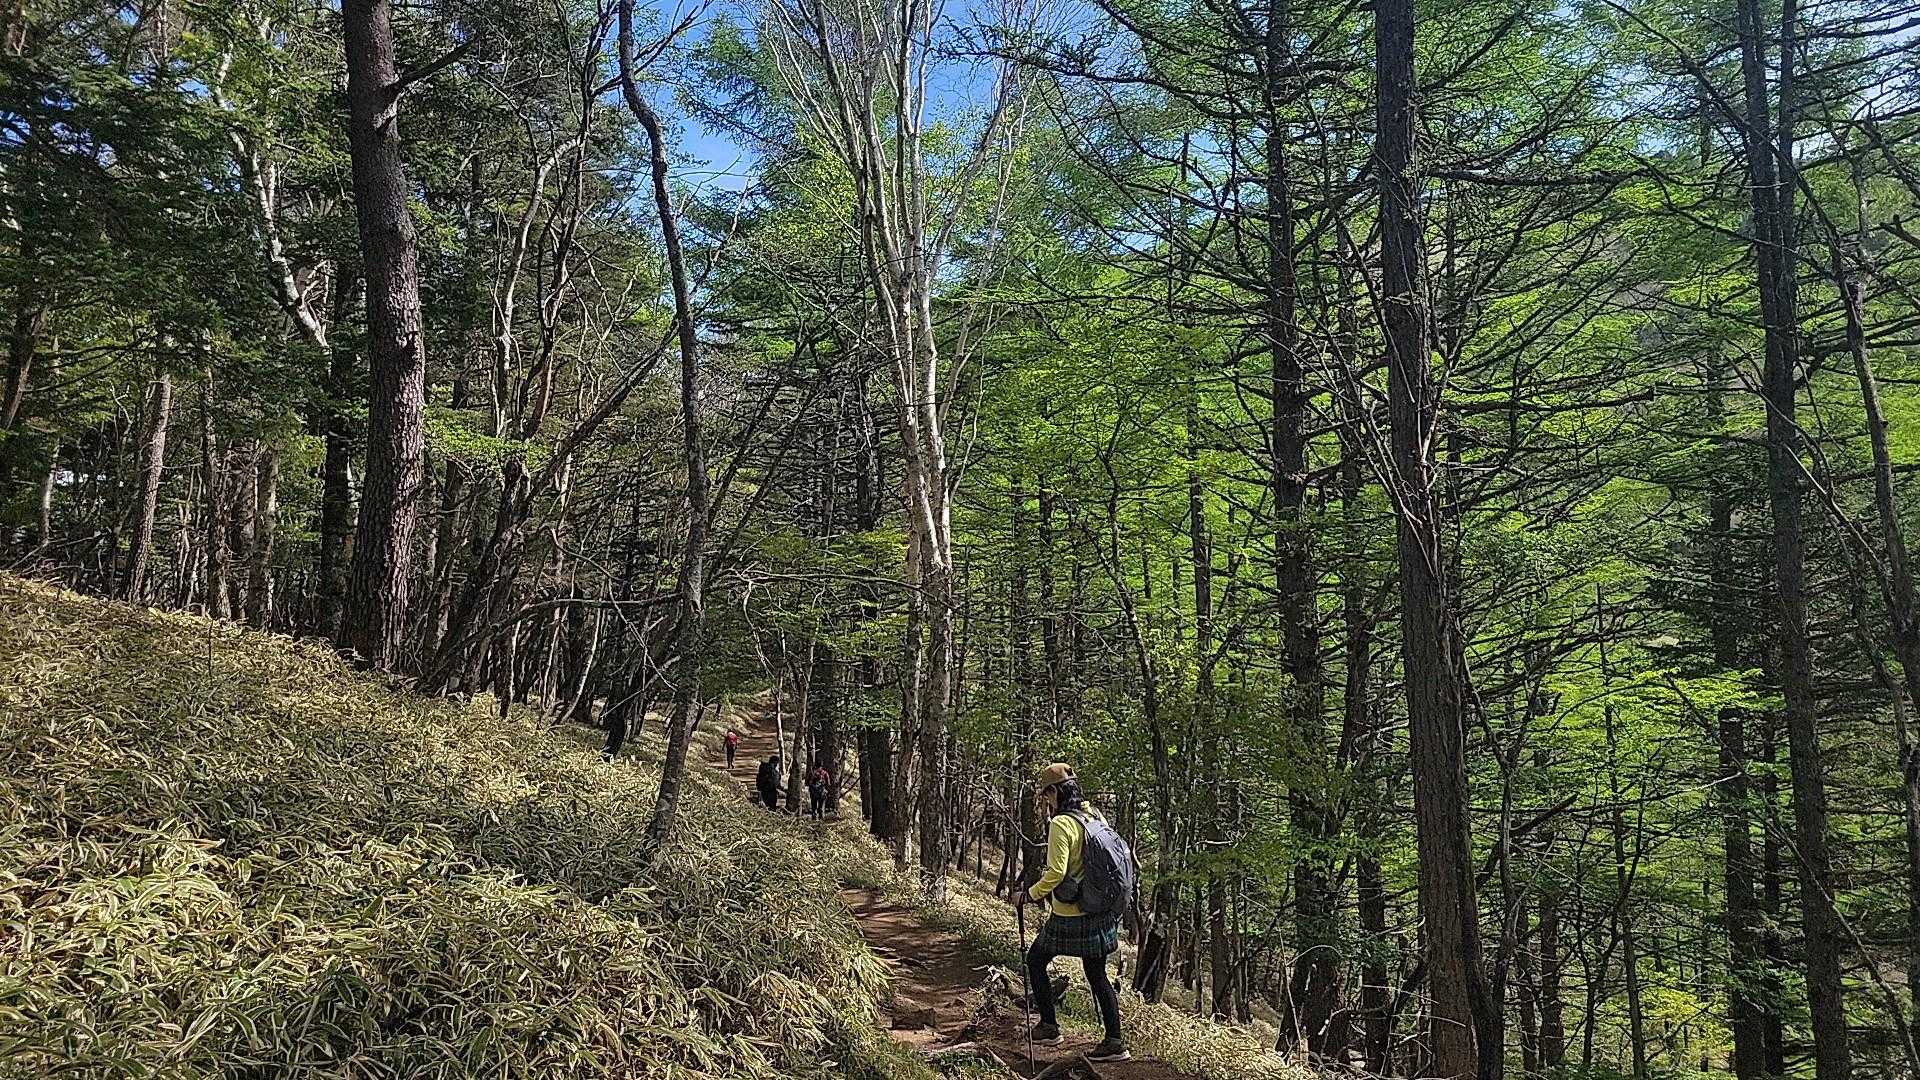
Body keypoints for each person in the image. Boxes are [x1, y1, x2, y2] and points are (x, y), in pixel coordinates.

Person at [1015, 762, 1128, 1062]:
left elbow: (1055, 873)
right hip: (1098, 911)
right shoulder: (1094, 815)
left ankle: (1049, 1027)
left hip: (1069, 914)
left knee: (1035, 960)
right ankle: (1115, 1042)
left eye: (1046, 794)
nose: (1045, 800)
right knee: (1097, 975)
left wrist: (1028, 895)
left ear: (1055, 792)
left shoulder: (1061, 824)